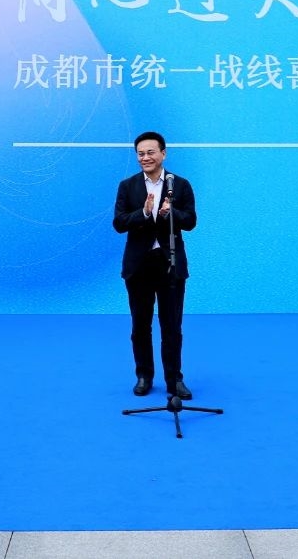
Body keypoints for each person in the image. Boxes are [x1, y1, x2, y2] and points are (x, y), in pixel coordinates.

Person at [113, 131, 197, 399]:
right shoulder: (127, 186)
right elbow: (119, 223)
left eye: (150, 152)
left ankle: (174, 379)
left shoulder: (180, 185)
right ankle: (144, 376)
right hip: (138, 266)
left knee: (171, 326)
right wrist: (145, 213)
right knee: (140, 325)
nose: (145, 157)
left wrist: (171, 213)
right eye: (140, 154)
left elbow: (191, 221)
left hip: (170, 264)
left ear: (163, 153)